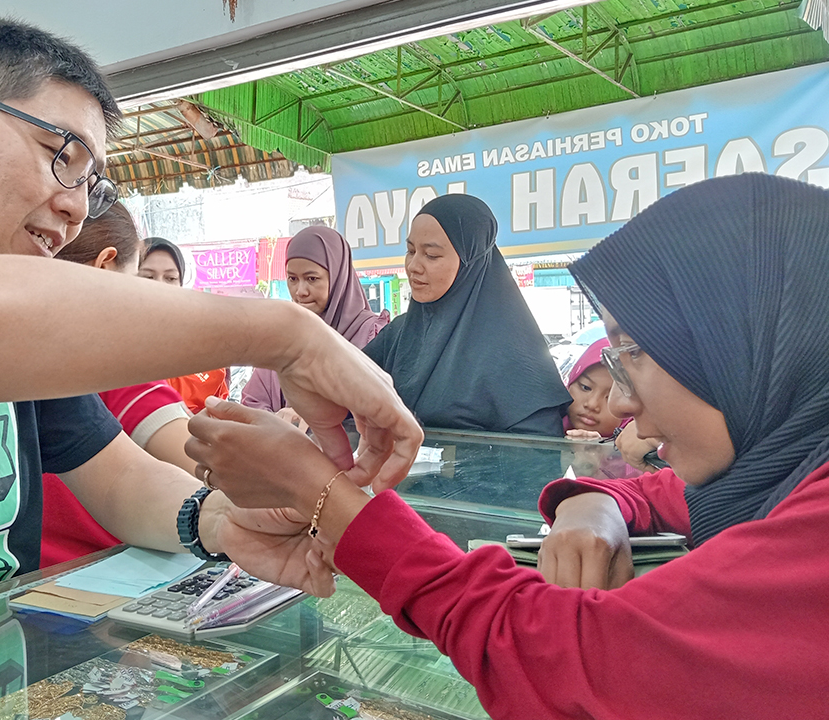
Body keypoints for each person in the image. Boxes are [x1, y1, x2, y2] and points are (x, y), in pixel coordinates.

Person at [0, 18, 421, 646]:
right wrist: (285, 334)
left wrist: (217, 521)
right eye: (59, 154)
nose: (74, 207)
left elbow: (119, 477)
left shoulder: (24, 340)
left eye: (91, 182)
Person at [186, 174, 829, 719]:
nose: (623, 403)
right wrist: (592, 502)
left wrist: (319, 493)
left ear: (741, 345)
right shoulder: (790, 458)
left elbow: (567, 656)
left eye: (633, 353)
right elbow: (661, 491)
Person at [41, 204, 196, 567]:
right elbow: (195, 458)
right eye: (141, 279)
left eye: (171, 279)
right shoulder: (113, 361)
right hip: (105, 578)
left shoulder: (25, 352)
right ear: (105, 268)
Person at [362, 194, 570, 434]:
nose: (413, 266)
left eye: (431, 255)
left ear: (470, 260)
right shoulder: (397, 336)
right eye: (410, 251)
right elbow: (342, 391)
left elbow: (536, 456)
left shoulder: (511, 352)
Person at [243, 226, 389, 428]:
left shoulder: (373, 336)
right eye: (292, 279)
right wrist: (277, 422)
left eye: (312, 279)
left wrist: (319, 415)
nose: (300, 291)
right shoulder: (280, 340)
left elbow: (383, 409)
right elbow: (252, 402)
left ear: (339, 276)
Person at [139, 237, 231, 413]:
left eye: (170, 278)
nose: (159, 286)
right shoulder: (116, 347)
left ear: (181, 284)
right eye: (148, 277)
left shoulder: (209, 350)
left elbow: (221, 410)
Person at [563, 337, 626, 440]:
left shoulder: (645, 446)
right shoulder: (542, 426)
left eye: (610, 397)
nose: (592, 405)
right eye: (585, 387)